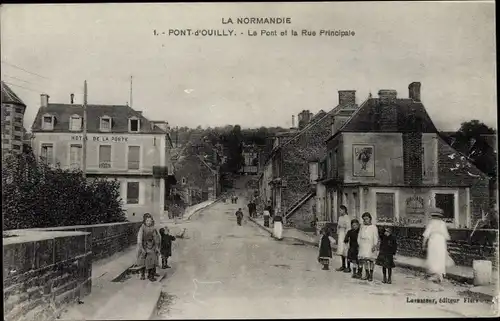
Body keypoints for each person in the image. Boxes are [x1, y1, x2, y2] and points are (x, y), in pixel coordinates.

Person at [422, 207, 454, 283]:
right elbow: (446, 236)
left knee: (434, 257)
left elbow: (426, 235)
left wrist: (423, 244)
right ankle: (439, 275)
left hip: (433, 241)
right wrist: (447, 246)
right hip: (441, 241)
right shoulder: (442, 223)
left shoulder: (431, 223)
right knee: (440, 257)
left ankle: (436, 275)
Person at [136, 213, 160, 280]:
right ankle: (142, 274)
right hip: (143, 245)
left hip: (150, 245)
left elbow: (155, 237)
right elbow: (139, 238)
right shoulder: (142, 228)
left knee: (152, 259)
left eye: (150, 221)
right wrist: (141, 247)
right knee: (143, 260)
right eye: (147, 221)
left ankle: (150, 275)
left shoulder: (153, 228)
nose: (149, 222)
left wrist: (157, 246)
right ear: (144, 221)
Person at [357, 212, 379, 281]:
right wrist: (359, 244)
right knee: (365, 260)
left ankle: (371, 274)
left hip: (370, 244)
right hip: (363, 245)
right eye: (364, 219)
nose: (365, 221)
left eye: (366, 219)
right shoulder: (362, 227)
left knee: (371, 260)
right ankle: (367, 273)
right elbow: (359, 236)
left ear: (370, 219)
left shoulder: (374, 227)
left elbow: (375, 237)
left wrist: (374, 245)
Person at [336, 205, 351, 272]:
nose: (340, 211)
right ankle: (343, 265)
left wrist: (347, 236)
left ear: (344, 210)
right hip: (341, 235)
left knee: (346, 251)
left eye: (340, 210)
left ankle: (348, 266)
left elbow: (348, 227)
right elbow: (338, 226)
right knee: (341, 250)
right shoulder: (340, 217)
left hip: (345, 234)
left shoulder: (347, 217)